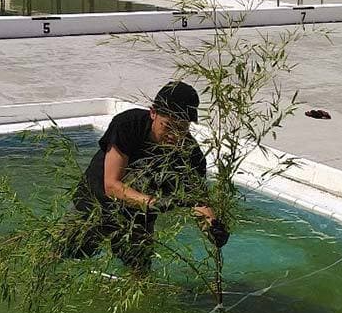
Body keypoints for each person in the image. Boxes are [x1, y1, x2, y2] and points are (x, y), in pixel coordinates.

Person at [62, 81, 229, 273]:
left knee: (140, 273)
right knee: (62, 255)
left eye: (182, 129)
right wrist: (153, 202)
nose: (174, 136)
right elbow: (112, 185)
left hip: (138, 217)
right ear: (153, 113)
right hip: (94, 205)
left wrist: (212, 228)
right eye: (168, 126)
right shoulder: (128, 125)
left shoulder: (190, 154)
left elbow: (197, 201)